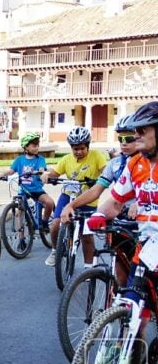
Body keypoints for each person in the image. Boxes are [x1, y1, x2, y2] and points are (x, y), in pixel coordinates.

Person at [85, 101, 158, 364]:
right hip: (148, 245)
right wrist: (98, 217)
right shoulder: (136, 164)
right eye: (135, 129)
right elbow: (114, 201)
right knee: (136, 307)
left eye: (144, 129)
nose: (137, 134)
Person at [60, 115, 140, 286]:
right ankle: (120, 310)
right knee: (120, 274)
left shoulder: (150, 163)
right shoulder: (116, 164)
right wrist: (71, 205)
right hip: (120, 220)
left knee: (143, 277)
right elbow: (97, 190)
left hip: (145, 223)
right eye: (120, 138)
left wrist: (140, 203)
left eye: (129, 138)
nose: (124, 142)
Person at [41, 126, 108, 267]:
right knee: (55, 224)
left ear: (88, 146)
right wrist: (47, 176)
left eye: (82, 148)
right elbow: (55, 172)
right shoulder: (66, 159)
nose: (78, 152)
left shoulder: (97, 156)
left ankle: (88, 267)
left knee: (87, 235)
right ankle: (55, 251)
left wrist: (99, 179)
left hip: (88, 199)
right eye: (75, 149)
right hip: (67, 196)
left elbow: (105, 172)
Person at [0, 132, 55, 230]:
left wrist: (41, 172)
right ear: (26, 147)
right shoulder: (19, 160)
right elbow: (11, 171)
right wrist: (2, 174)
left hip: (36, 190)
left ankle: (44, 221)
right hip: (23, 190)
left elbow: (41, 169)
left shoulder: (40, 159)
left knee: (50, 202)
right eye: (34, 145)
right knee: (20, 213)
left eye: (37, 145)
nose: (37, 148)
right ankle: (21, 238)